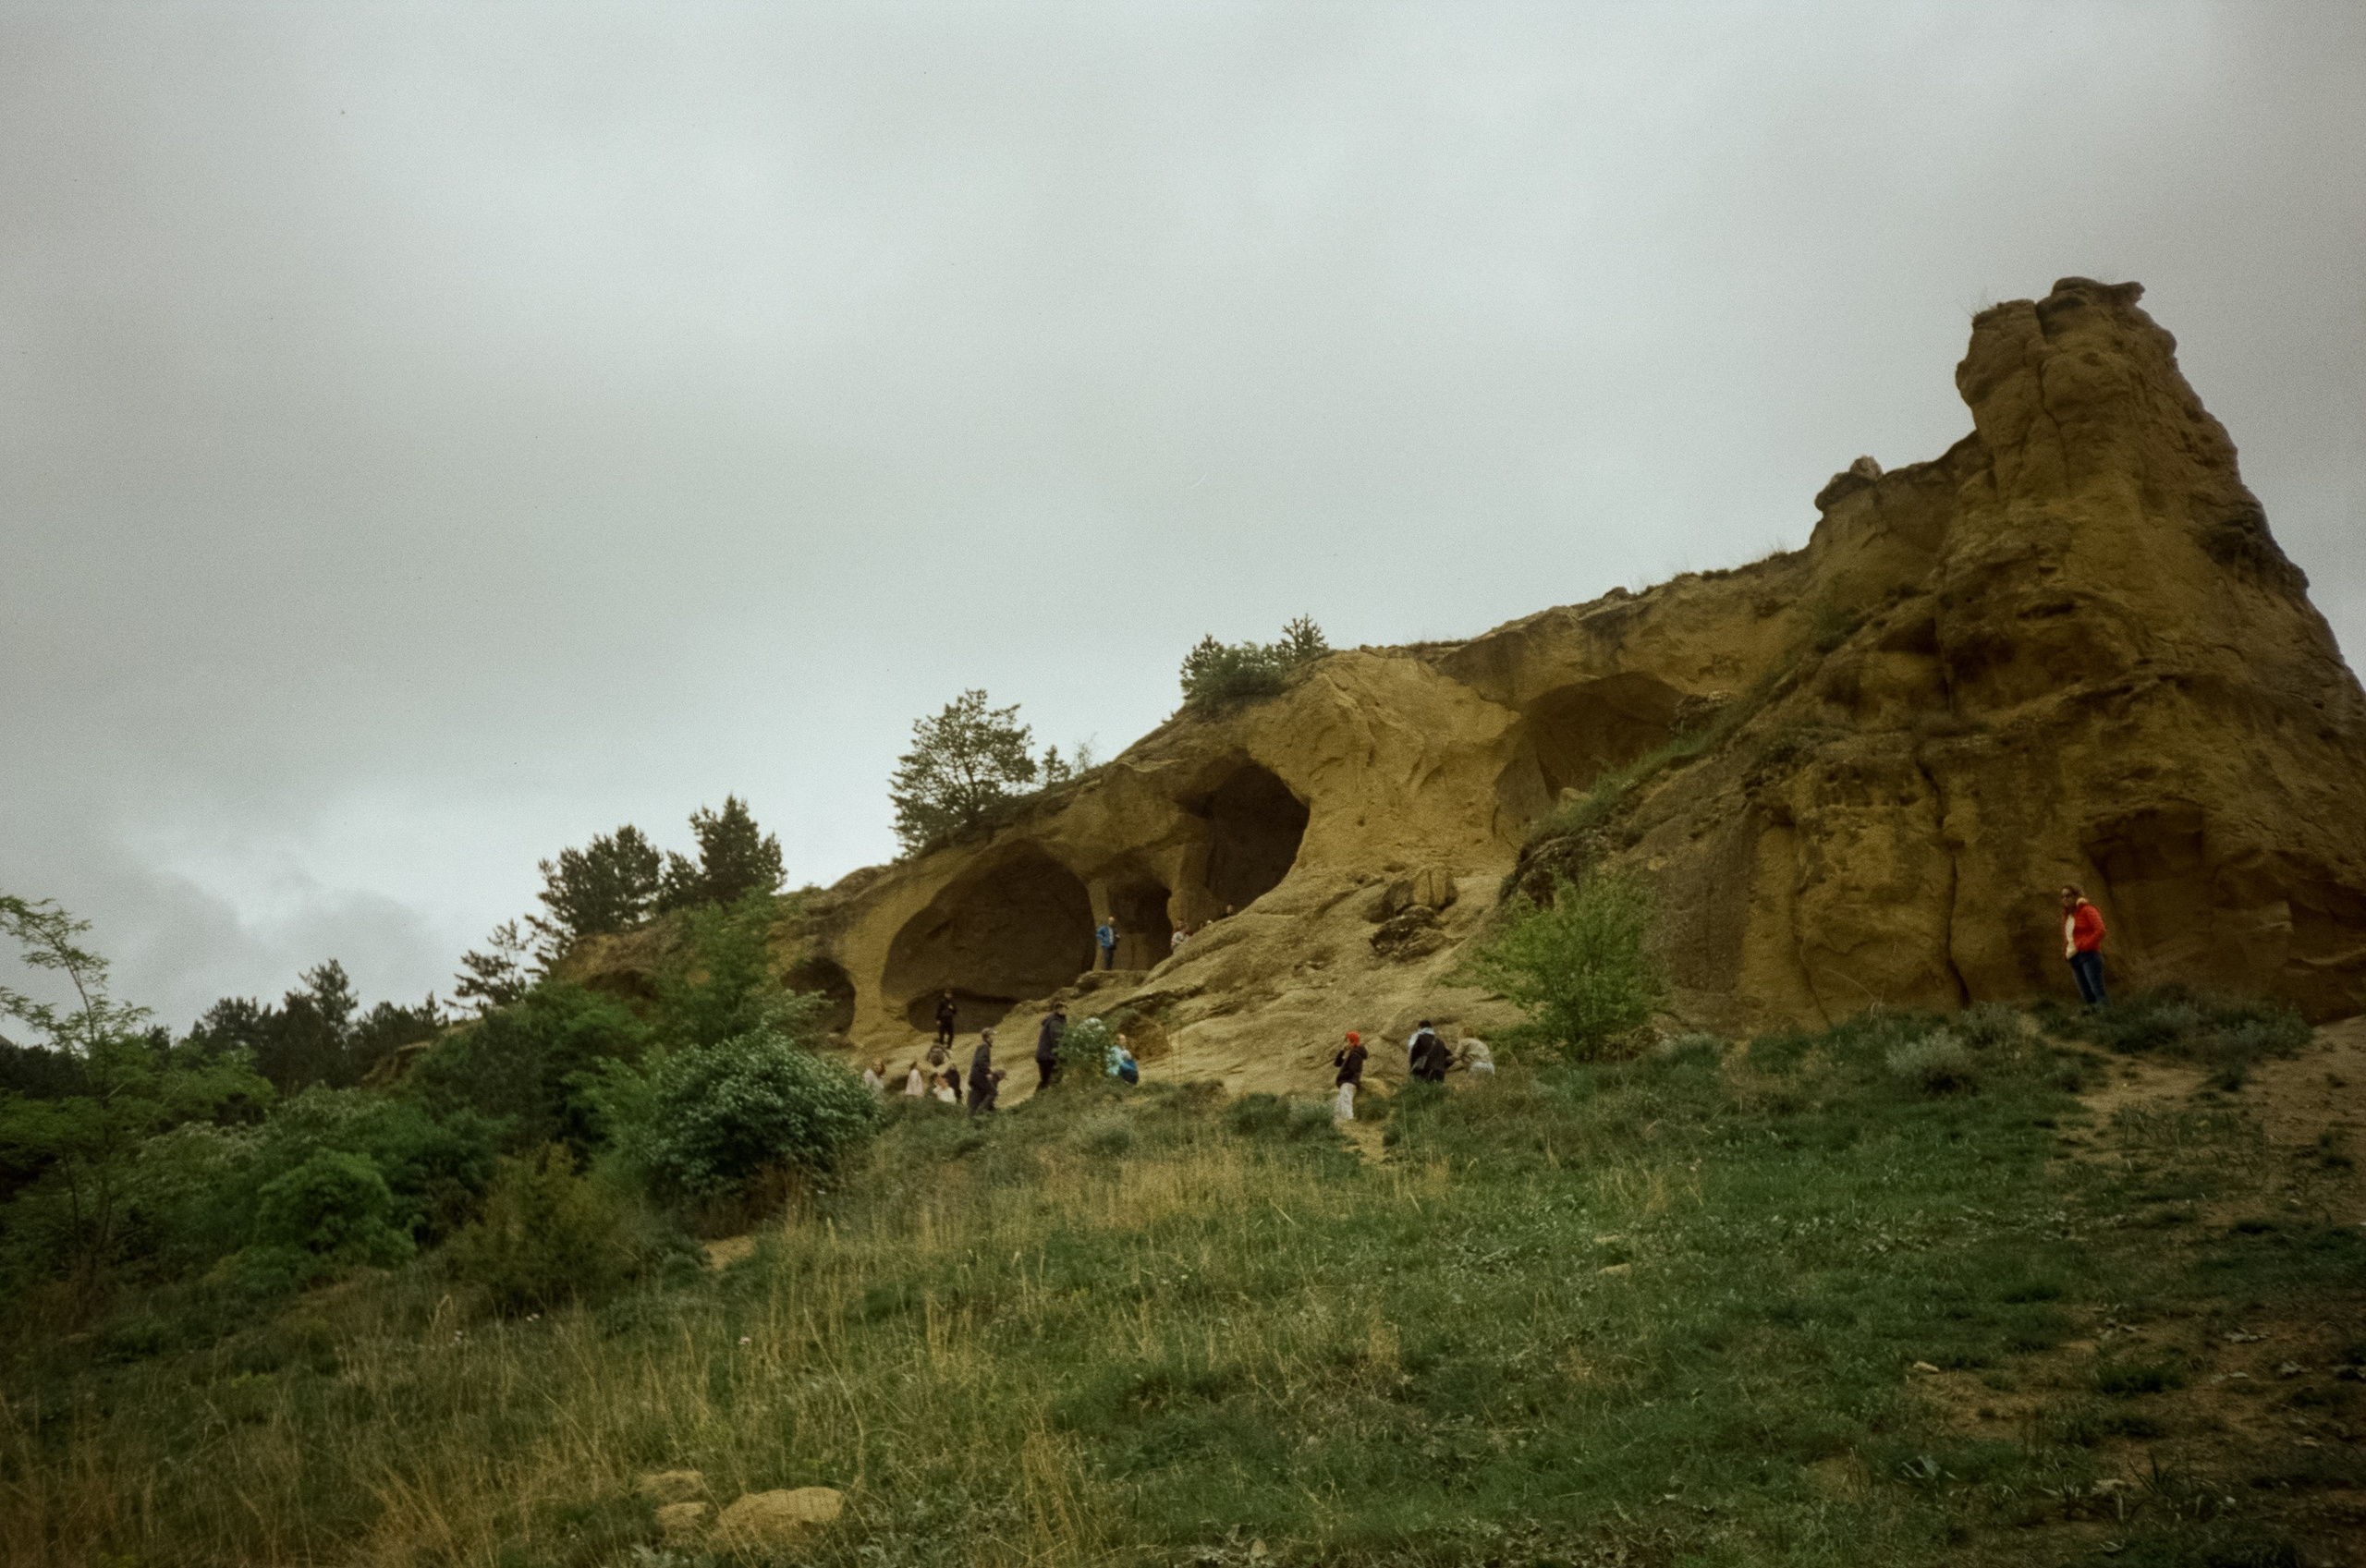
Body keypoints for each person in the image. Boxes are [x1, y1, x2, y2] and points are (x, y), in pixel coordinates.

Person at [2061, 885, 2109, 1005]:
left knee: (2098, 992)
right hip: (2074, 957)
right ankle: (2094, 1022)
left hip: (2089, 956)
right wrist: (2066, 952)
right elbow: (2070, 937)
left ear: (2076, 896)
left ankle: (2108, 1019)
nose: (2065, 899)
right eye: (2062, 896)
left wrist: (2085, 945)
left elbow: (2100, 930)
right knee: (2086, 995)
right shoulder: (2067, 916)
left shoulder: (2087, 910)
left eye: (2068, 895)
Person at [1333, 1030, 1367, 1121]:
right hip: (1347, 1082)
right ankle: (1340, 1125)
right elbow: (1337, 1063)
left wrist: (1341, 1077)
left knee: (1345, 1102)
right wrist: (1343, 1050)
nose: (1346, 1043)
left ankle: (1349, 1122)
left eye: (1348, 1041)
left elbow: (1352, 1070)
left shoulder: (1355, 1054)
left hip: (1349, 1082)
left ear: (1352, 1042)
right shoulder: (1352, 1054)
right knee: (1339, 1106)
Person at [1035, 1003, 1067, 1089]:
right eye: (1062, 1008)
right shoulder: (1055, 1022)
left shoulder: (1052, 1021)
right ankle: (1040, 1099)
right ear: (1057, 1010)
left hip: (1044, 1056)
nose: (1064, 1011)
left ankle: (1038, 1099)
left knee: (1046, 1081)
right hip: (1048, 1056)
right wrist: (1061, 1053)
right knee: (1052, 1080)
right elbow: (1056, 1038)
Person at [1408, 1019, 1450, 1084]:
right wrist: (1442, 1066)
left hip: (1425, 1071)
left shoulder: (1419, 1037)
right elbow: (1450, 1056)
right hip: (1439, 1073)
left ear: (1420, 1028)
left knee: (1423, 1092)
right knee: (1437, 1093)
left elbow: (1412, 1053)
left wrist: (1412, 1067)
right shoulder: (1439, 1042)